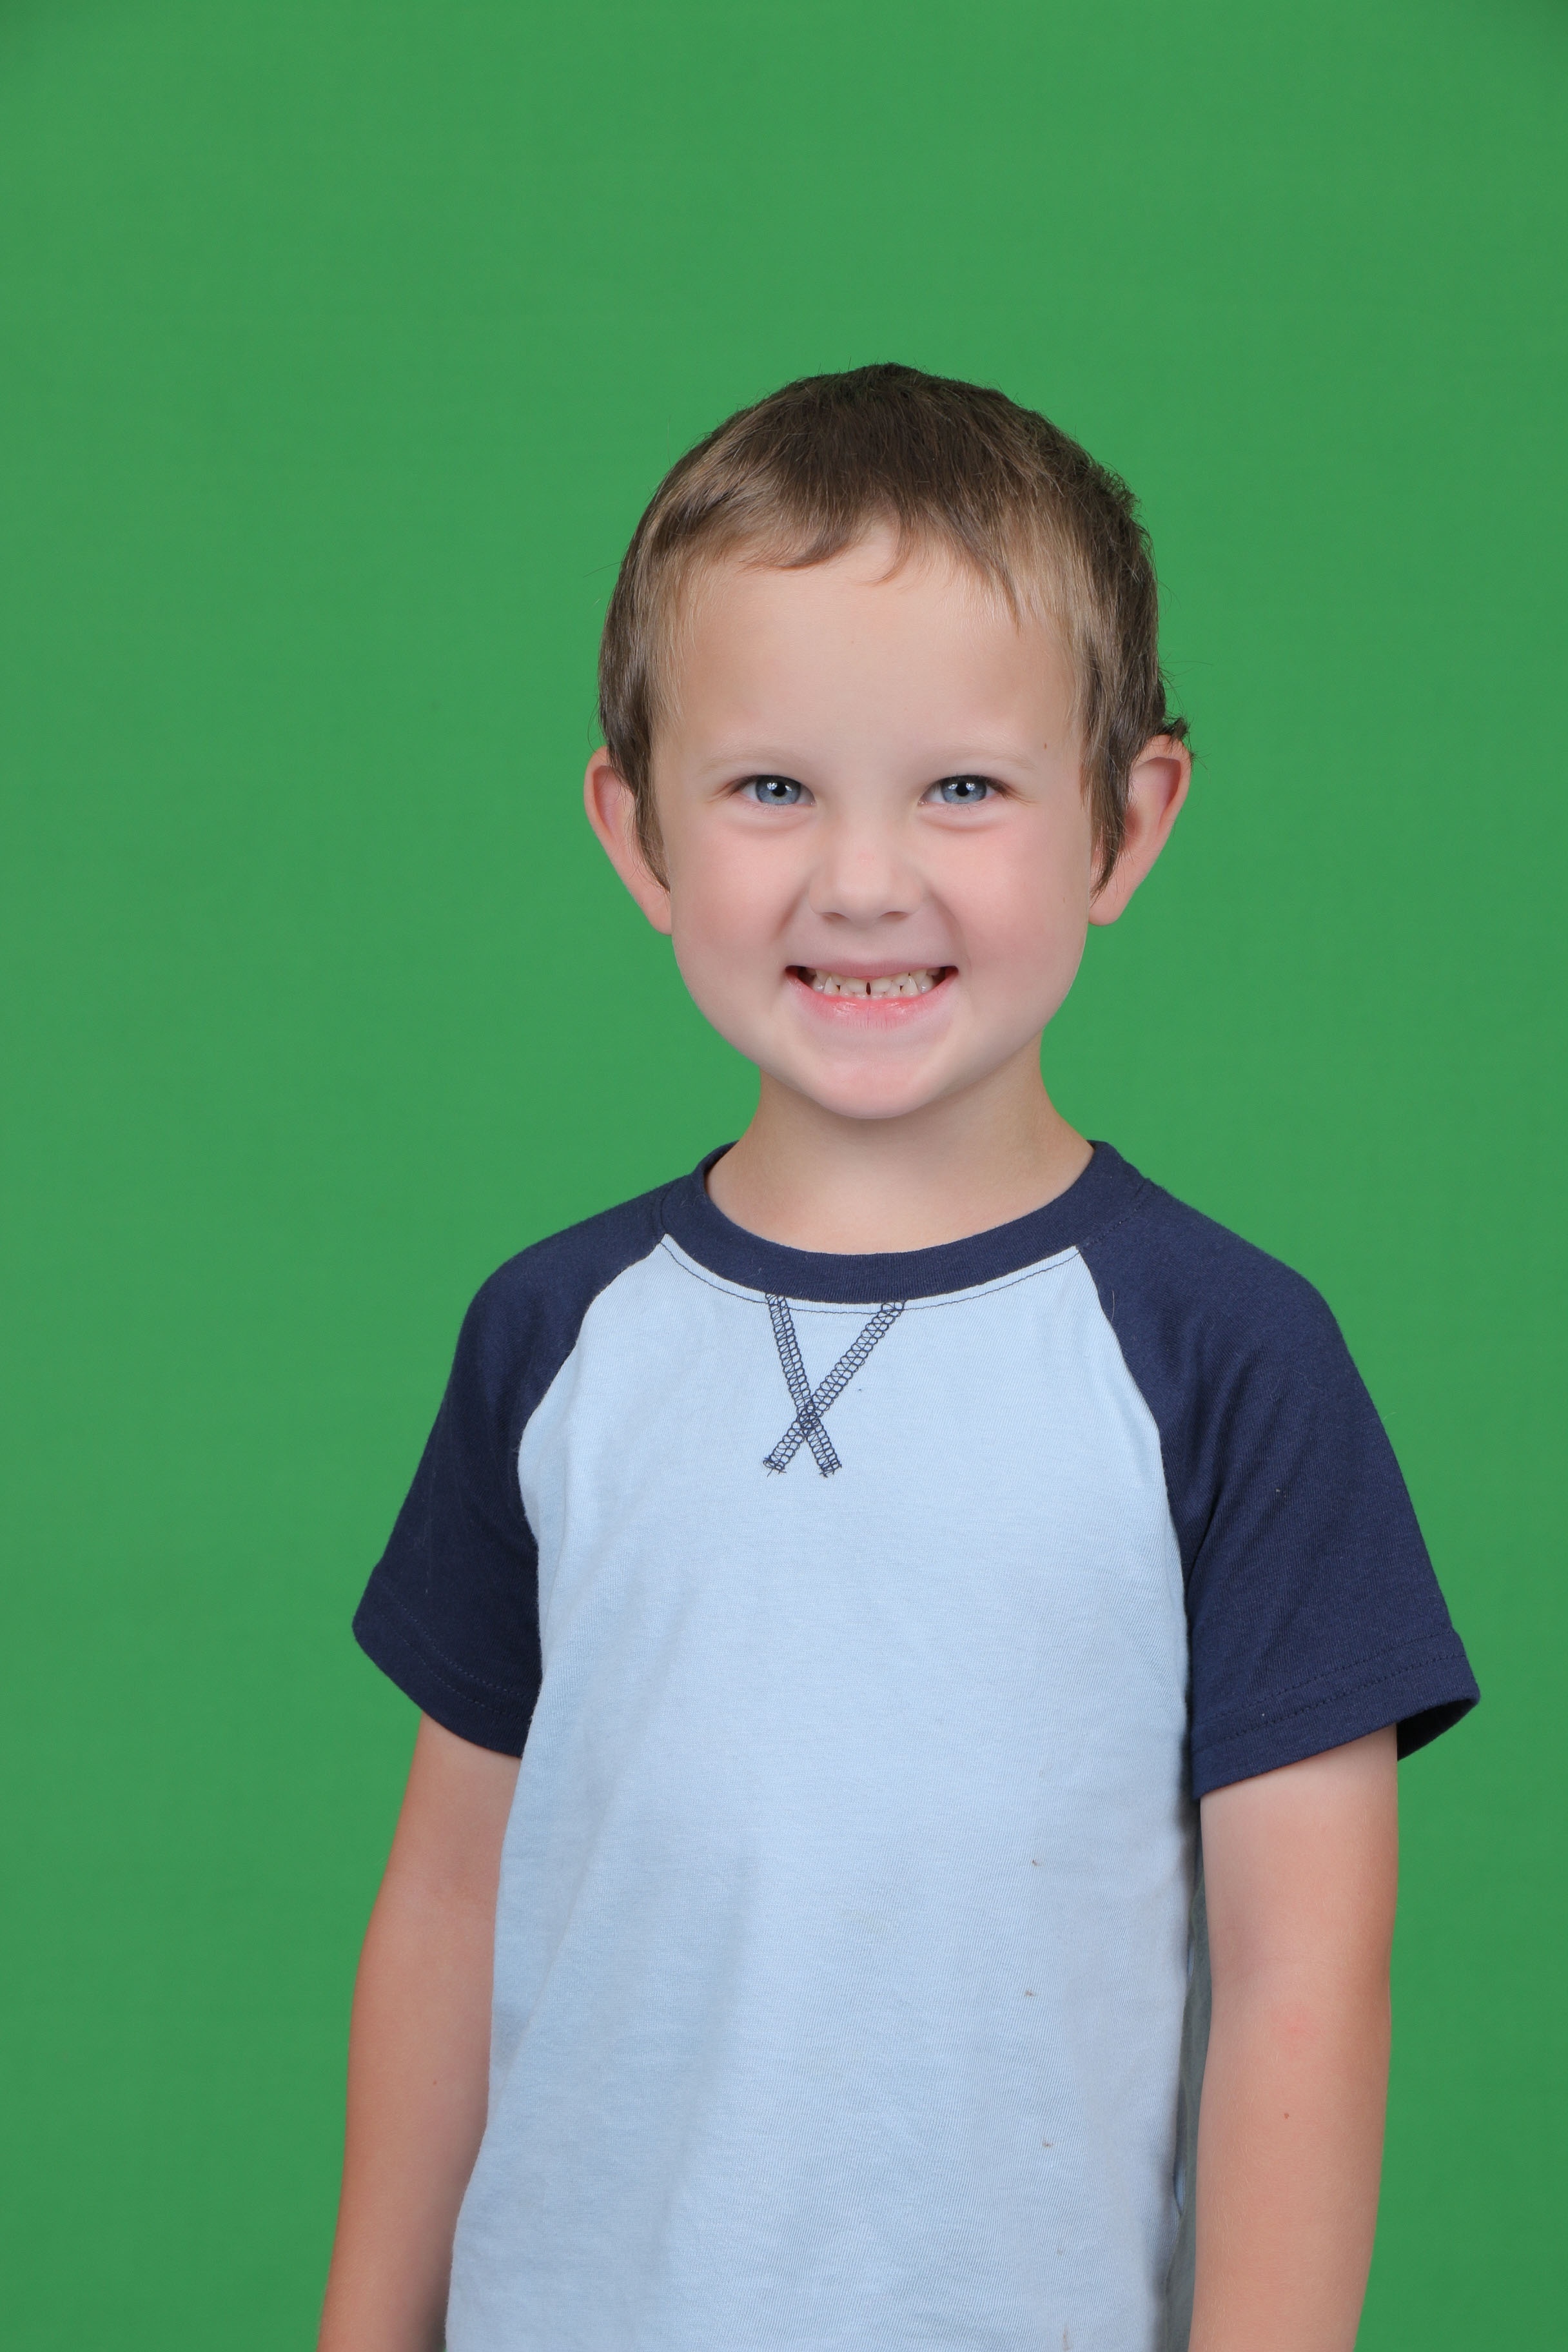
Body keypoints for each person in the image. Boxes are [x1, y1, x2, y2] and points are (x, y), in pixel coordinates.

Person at [317, 364, 1478, 2352]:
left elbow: (1305, 1980)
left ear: (1126, 821)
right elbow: (447, 1902)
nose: (863, 880)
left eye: (964, 788)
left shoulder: (1228, 1357)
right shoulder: (554, 1334)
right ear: (637, 830)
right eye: (772, 788)